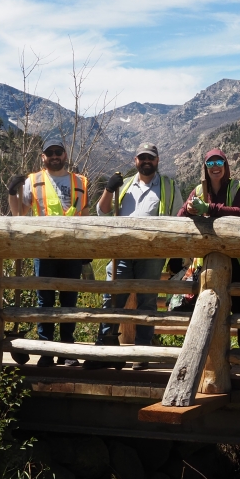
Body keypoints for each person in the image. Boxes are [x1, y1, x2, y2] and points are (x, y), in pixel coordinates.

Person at [85, 142, 181, 371]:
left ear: (157, 161)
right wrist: (108, 189)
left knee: (147, 301)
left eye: (151, 158)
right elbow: (102, 211)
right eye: (142, 158)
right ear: (135, 161)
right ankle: (106, 349)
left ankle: (142, 350)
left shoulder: (168, 186)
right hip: (121, 253)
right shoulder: (125, 184)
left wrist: (176, 254)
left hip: (152, 254)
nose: (146, 161)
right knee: (111, 298)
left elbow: (179, 218)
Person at [178, 148, 240, 377]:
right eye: (210, 162)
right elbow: (180, 217)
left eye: (219, 162)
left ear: (226, 165)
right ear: (205, 167)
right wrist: (189, 208)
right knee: (210, 312)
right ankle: (212, 364)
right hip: (208, 264)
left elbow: (238, 211)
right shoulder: (198, 190)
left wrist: (209, 209)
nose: (215, 166)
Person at [6, 136, 88, 367]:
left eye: (58, 152)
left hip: (72, 249)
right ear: (43, 156)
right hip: (43, 249)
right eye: (49, 152)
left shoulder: (80, 181)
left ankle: (67, 351)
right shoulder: (33, 181)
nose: (54, 156)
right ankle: (46, 351)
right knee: (45, 301)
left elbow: (86, 213)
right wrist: (12, 192)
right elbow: (19, 215)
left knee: (69, 300)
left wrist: (87, 247)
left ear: (65, 155)